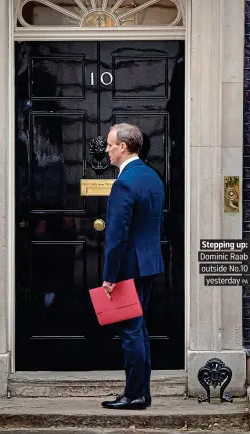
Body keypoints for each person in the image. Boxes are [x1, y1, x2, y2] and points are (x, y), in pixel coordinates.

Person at [101, 123, 164, 410]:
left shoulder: (124, 182)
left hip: (128, 267)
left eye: (110, 145)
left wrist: (109, 276)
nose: (107, 150)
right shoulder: (152, 177)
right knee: (139, 329)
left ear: (124, 147)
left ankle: (134, 394)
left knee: (130, 331)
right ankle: (141, 392)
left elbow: (117, 234)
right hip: (149, 264)